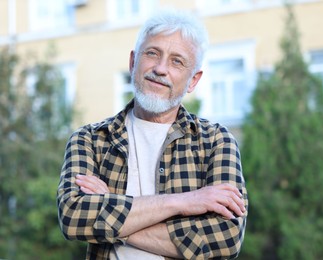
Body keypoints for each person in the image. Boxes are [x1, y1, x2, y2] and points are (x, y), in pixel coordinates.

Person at [57, 10, 248, 260]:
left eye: (177, 61)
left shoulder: (216, 141)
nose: (160, 69)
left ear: (193, 80)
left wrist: (112, 211)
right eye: (152, 53)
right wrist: (186, 201)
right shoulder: (90, 139)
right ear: (133, 62)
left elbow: (226, 237)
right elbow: (73, 217)